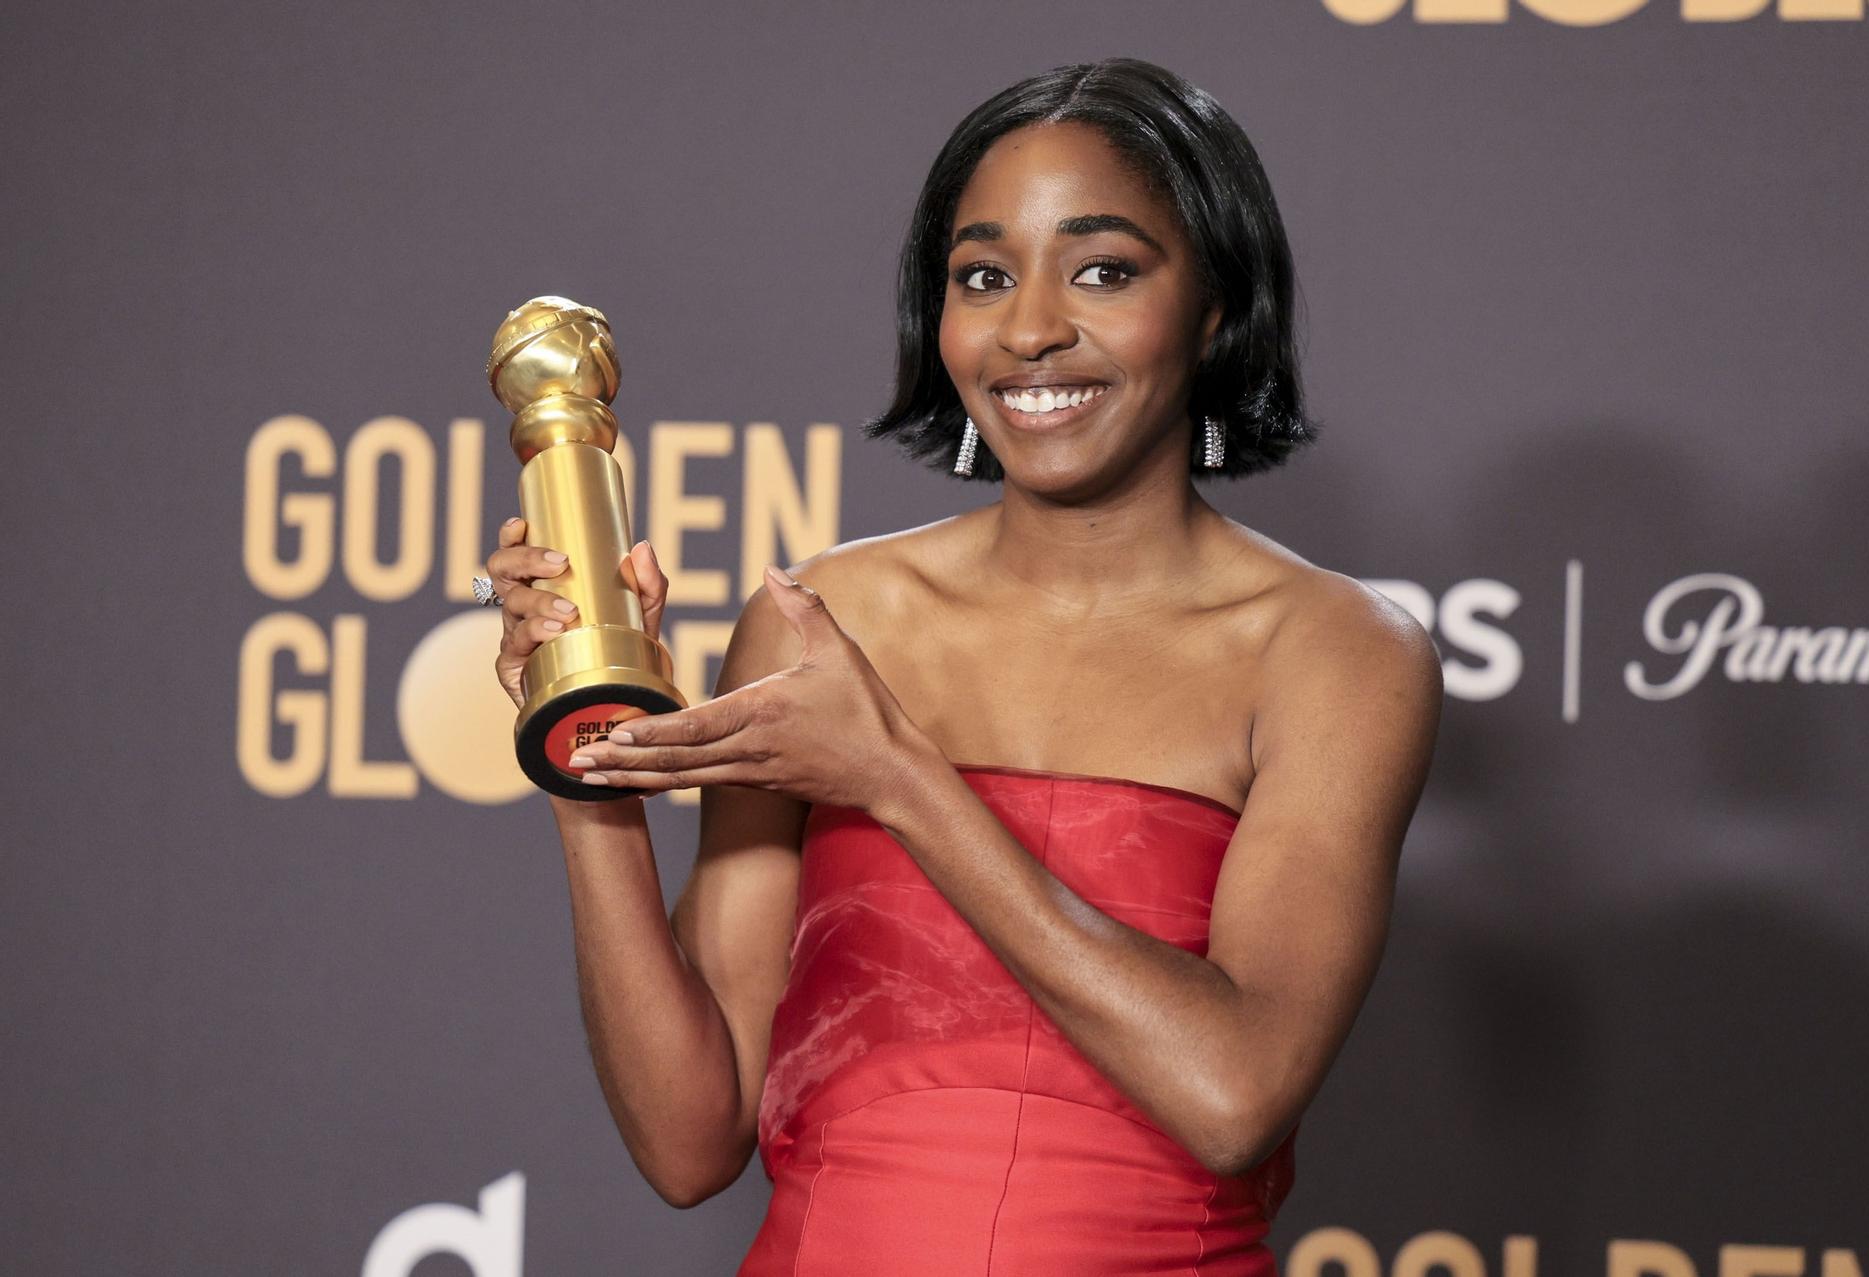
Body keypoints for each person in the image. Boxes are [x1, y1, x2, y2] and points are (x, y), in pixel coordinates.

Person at [483, 57, 1441, 1277]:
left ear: (1213, 304)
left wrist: (896, 776)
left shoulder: (1333, 654)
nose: (1030, 328)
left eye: (1102, 269)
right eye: (981, 276)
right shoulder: (823, 616)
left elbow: (1230, 1090)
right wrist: (584, 737)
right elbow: (687, 1138)